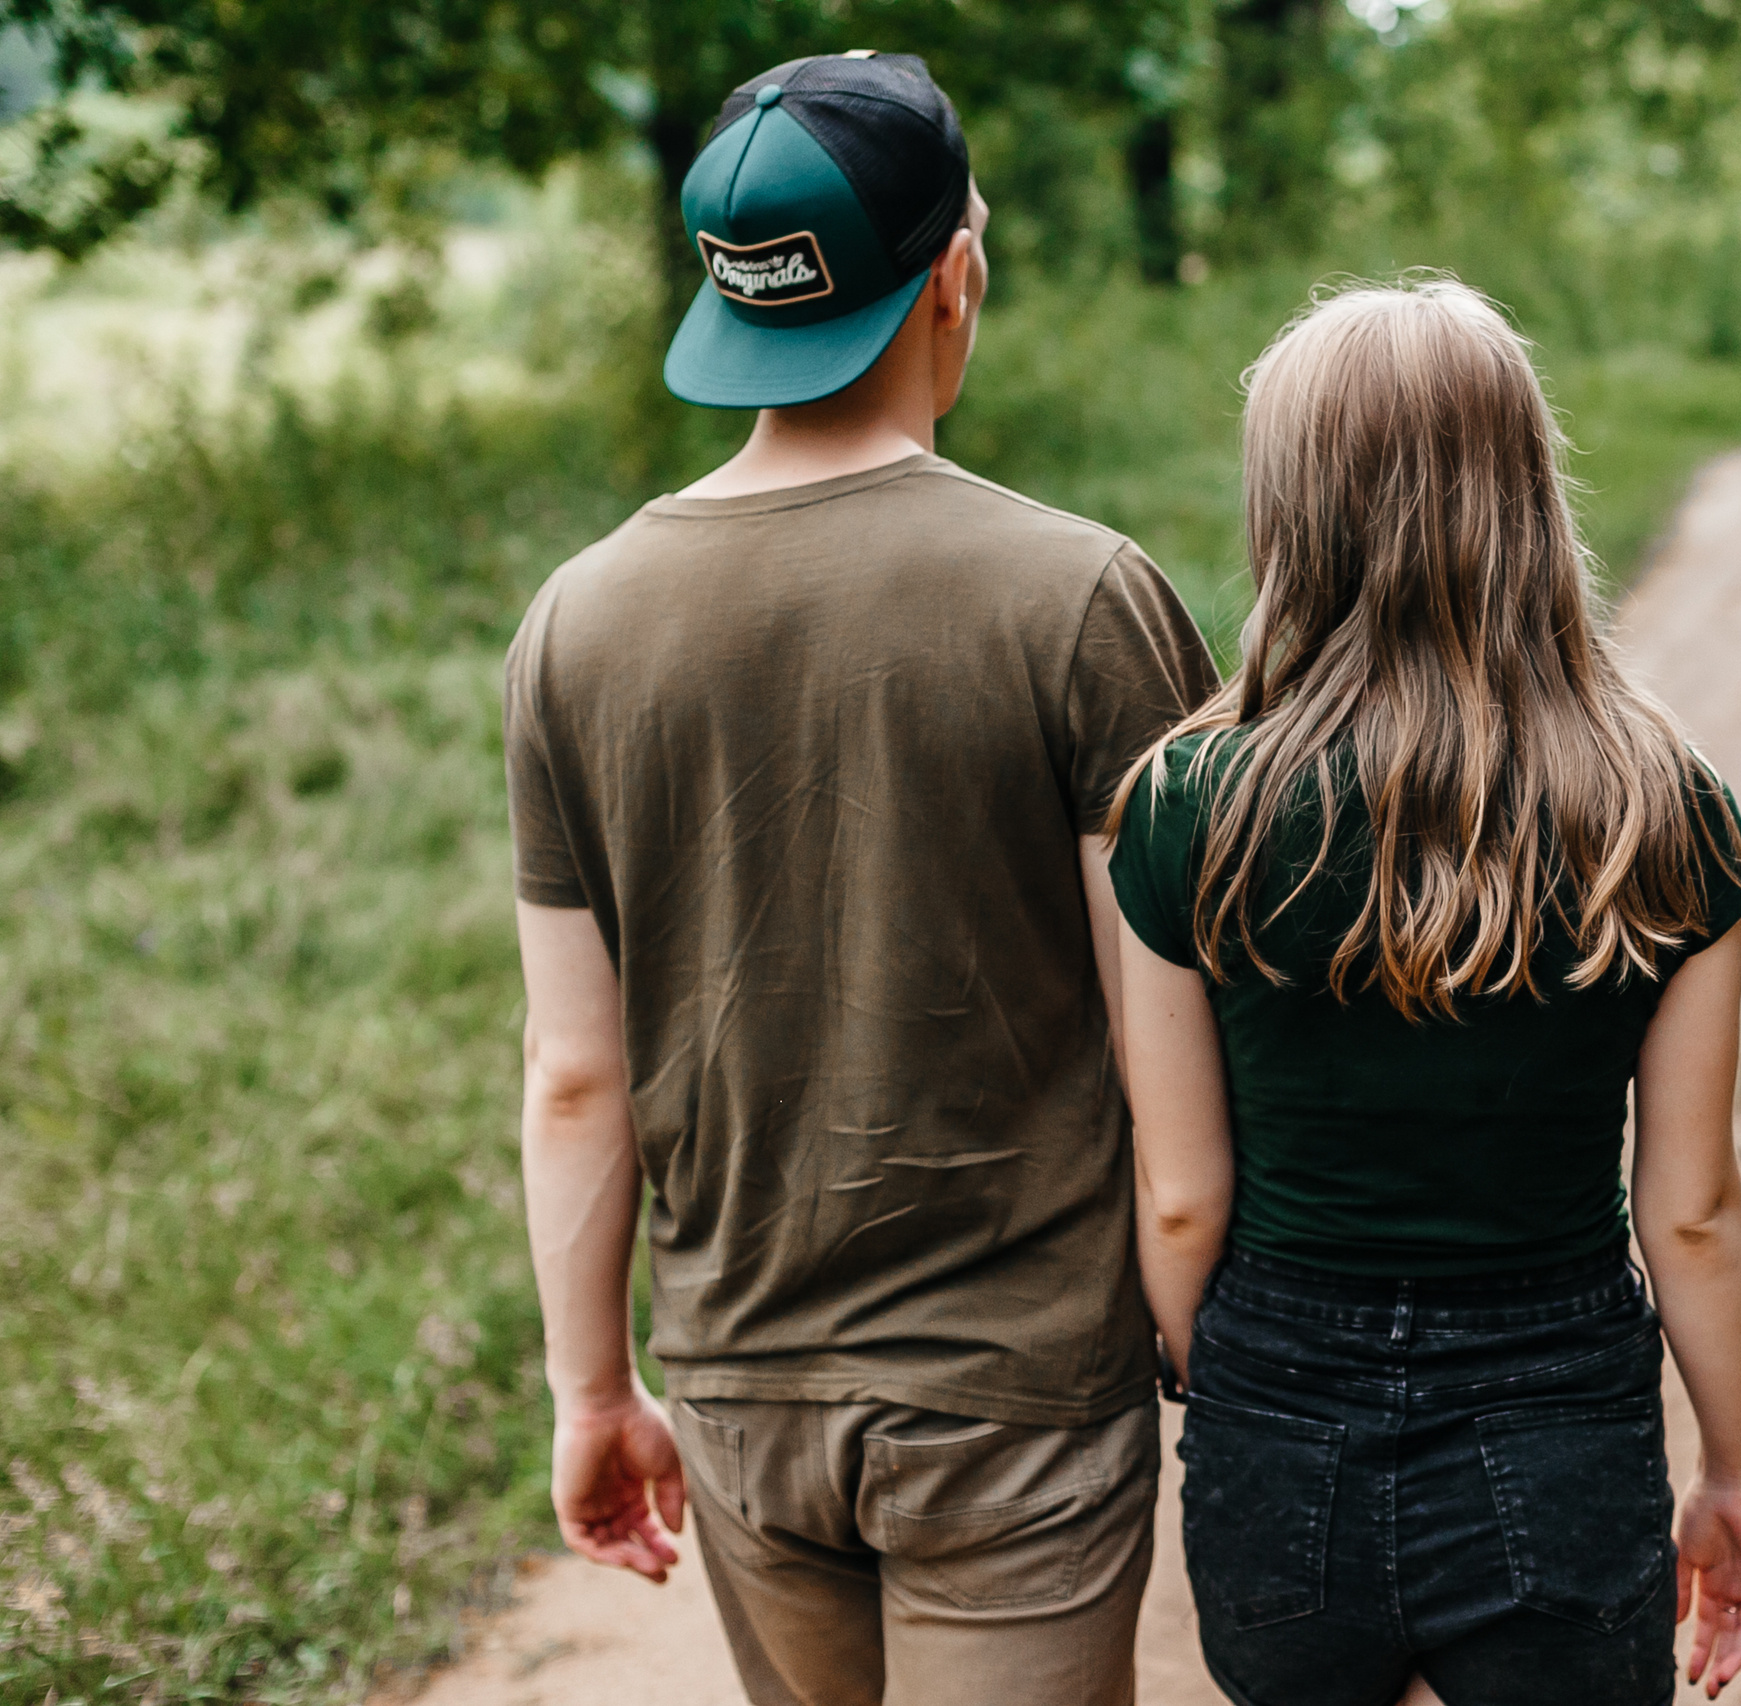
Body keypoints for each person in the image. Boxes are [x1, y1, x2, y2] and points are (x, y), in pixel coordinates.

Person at [503, 52, 1217, 1706]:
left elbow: (573, 1071)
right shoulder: (1085, 598)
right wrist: (1205, 1340)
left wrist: (591, 1389)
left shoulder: (576, 622)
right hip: (1021, 1394)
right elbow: (1173, 1046)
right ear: (956, 274)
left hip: (745, 1388)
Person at [1106, 278, 1741, 1706]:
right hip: (1561, 1411)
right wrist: (1734, 1470)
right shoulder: (1667, 805)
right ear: (1528, 490)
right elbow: (1693, 1209)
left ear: (1290, 511)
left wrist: (1216, 1378)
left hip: (1280, 1414)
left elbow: (1178, 1196)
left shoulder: (1186, 803)